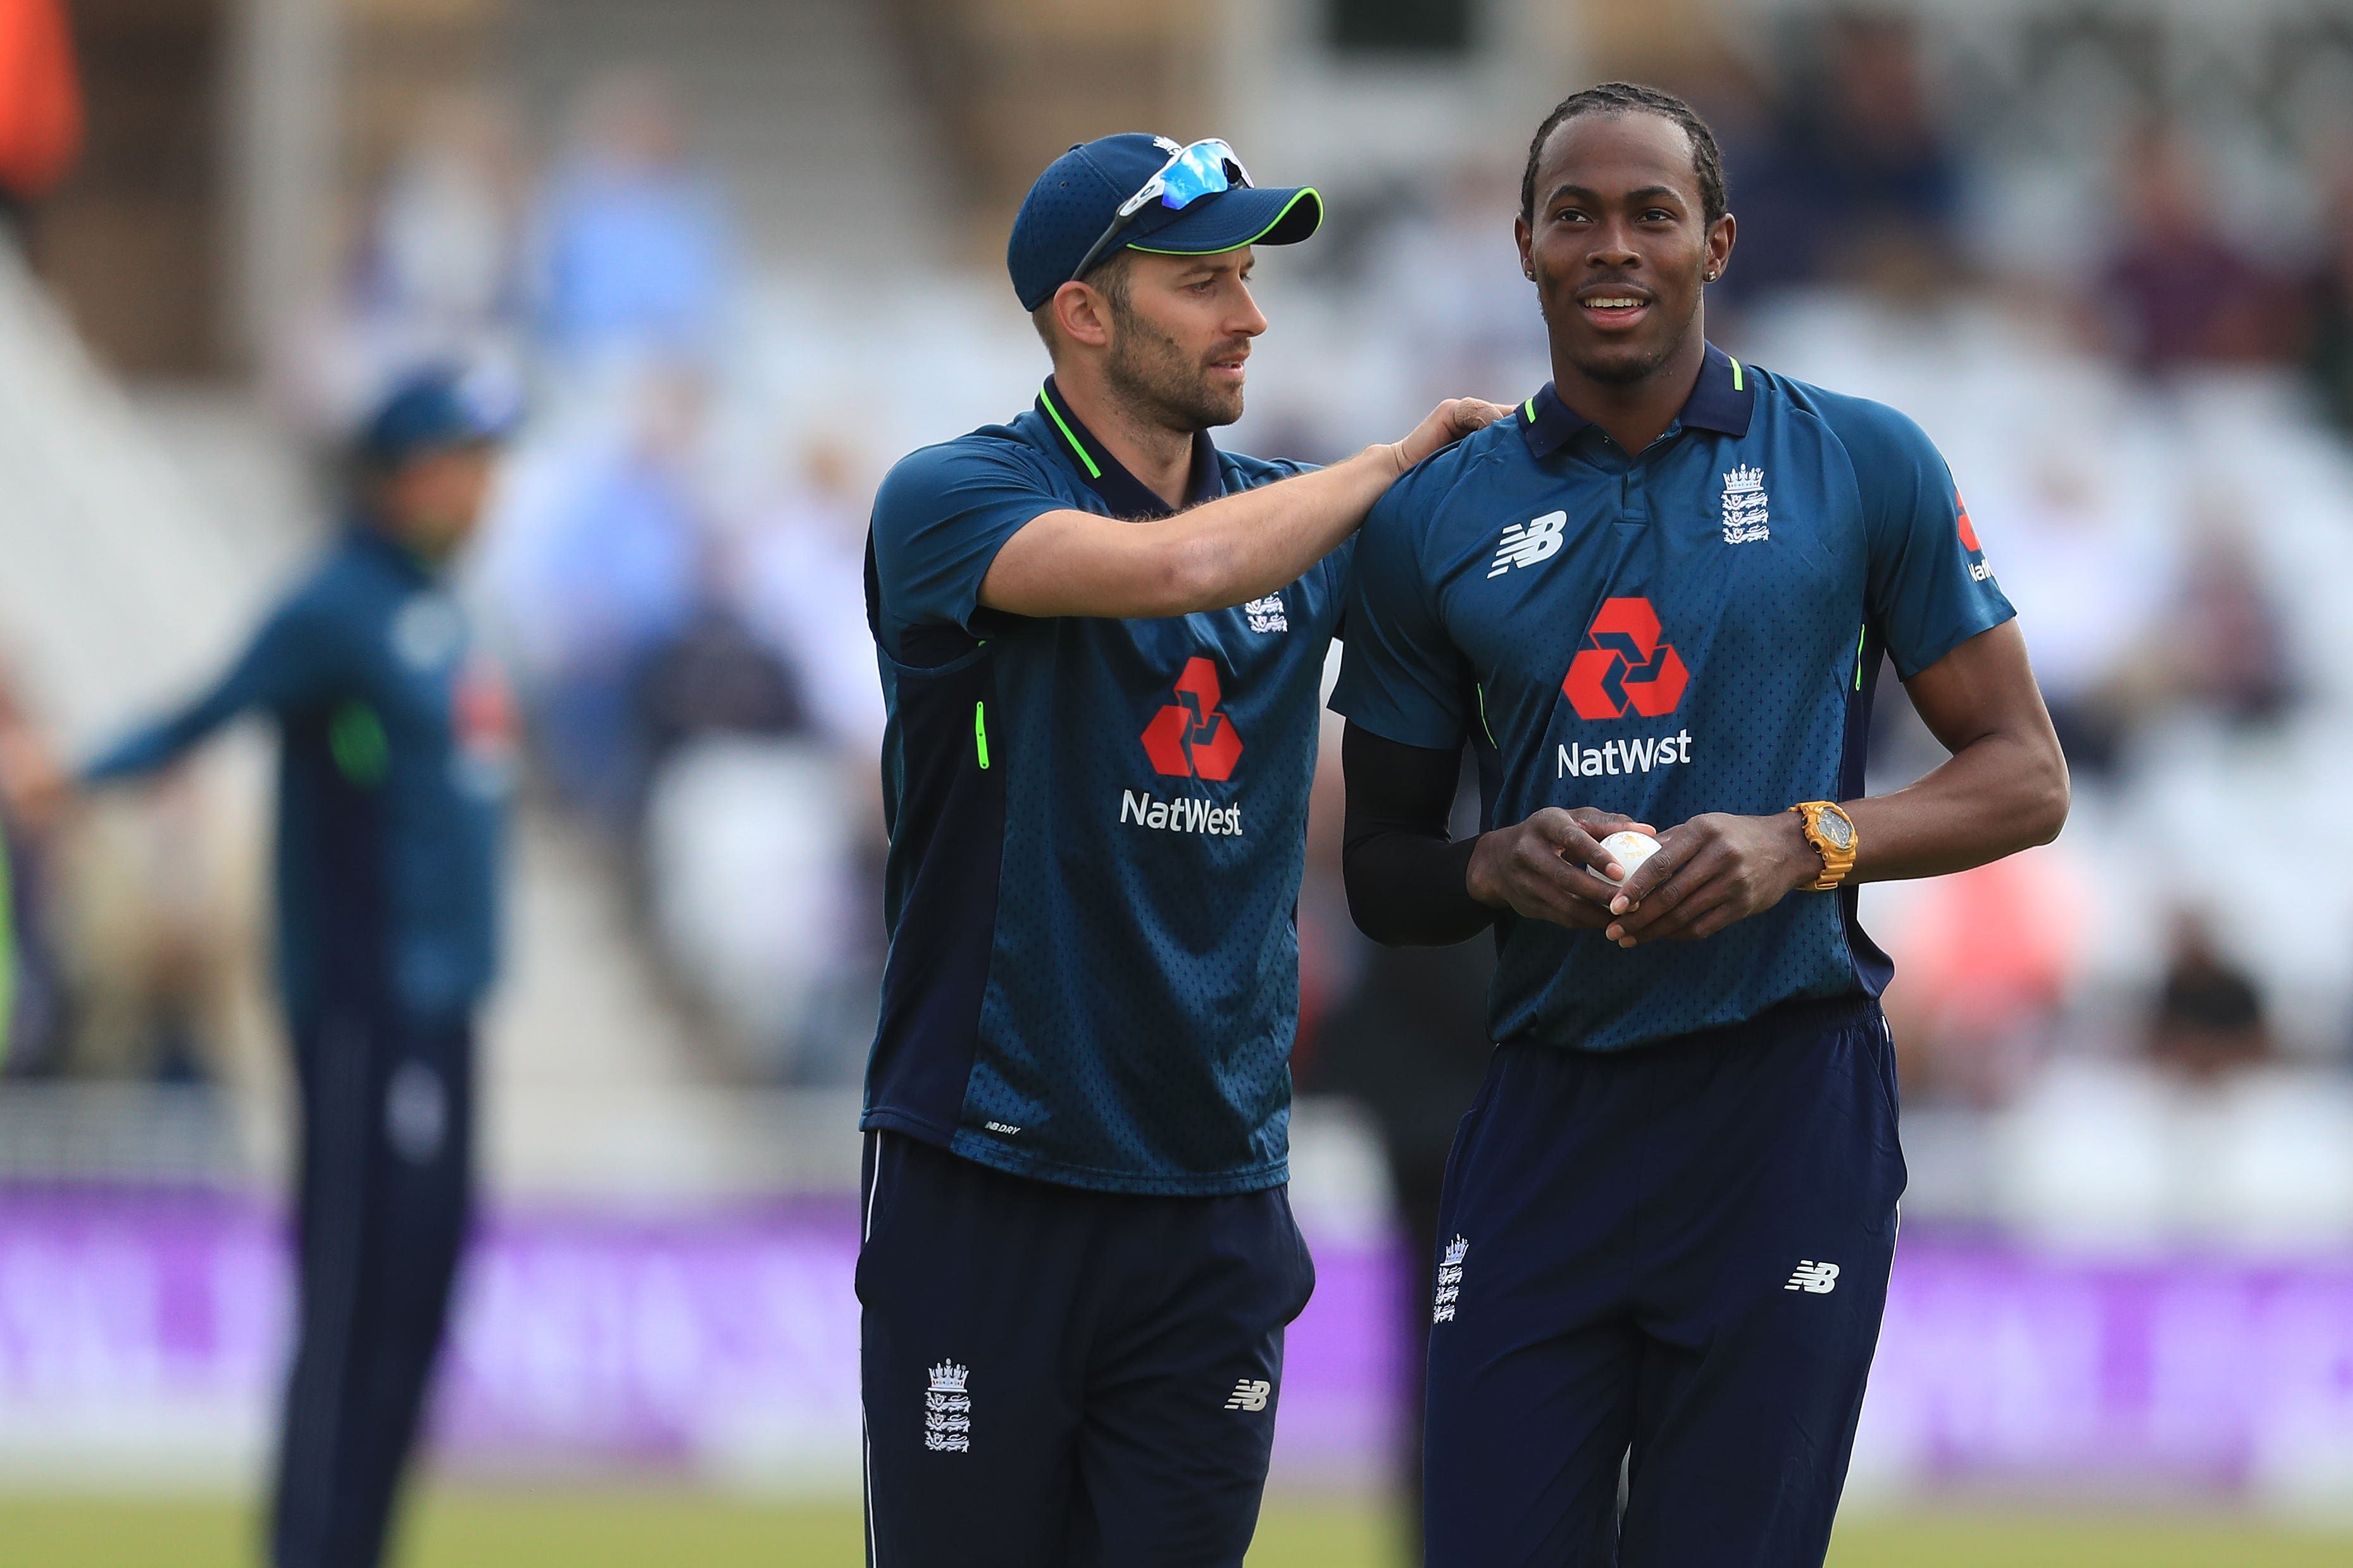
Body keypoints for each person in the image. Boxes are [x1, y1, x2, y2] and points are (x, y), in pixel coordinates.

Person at [1329, 84, 2068, 1566]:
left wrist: (1804, 843)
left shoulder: (1859, 462)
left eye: (1650, 213)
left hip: (1781, 1102)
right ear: (1523, 245)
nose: (1614, 246)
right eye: (1576, 215)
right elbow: (1384, 874)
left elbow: (2022, 775)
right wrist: (1489, 862)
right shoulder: (1430, 519)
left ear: (1714, 241)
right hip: (1545, 1108)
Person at [858, 132, 1504, 1566]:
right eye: (1204, 280)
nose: (1249, 316)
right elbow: (1179, 569)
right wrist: (1398, 462)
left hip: (1214, 1199)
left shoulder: (1299, 518)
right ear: (1084, 311)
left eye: (1250, 277)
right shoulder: (949, 500)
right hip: (988, 1173)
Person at [68, 368, 516, 1568]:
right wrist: (64, 776)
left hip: (448, 1009)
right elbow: (203, 711)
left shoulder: (441, 606)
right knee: (356, 1294)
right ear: (405, 470)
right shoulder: (335, 605)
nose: (488, 487)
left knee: (417, 1296)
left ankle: (358, 1545)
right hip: (369, 1008)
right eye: (467, 460)